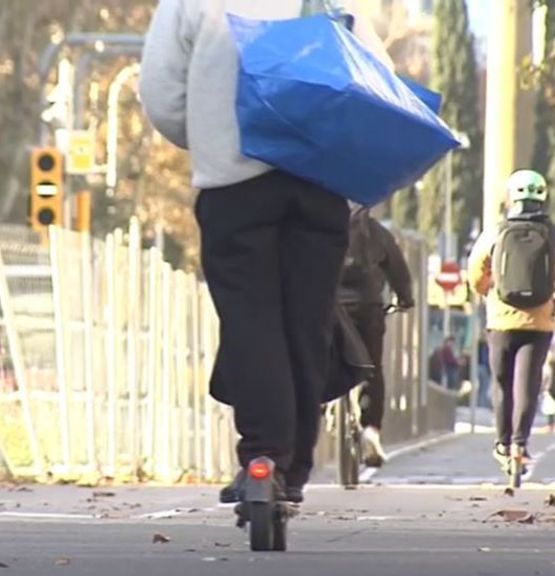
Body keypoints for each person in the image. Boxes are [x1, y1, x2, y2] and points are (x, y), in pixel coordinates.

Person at [139, 0, 391, 504]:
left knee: (250, 319)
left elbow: (162, 95)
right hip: (318, 186)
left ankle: (263, 456)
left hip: (234, 187)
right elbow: (378, 80)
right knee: (308, 319)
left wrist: (214, 135)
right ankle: (294, 467)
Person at [468, 170, 555, 473]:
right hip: (539, 321)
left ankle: (502, 444)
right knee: (527, 384)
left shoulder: (496, 231)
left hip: (501, 318)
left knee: (502, 383)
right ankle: (520, 444)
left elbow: (476, 270)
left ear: (511, 197)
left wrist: (484, 290)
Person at [337, 207, 414, 467]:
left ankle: (322, 405)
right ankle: (370, 430)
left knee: (317, 358)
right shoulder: (375, 232)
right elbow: (398, 271)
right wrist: (405, 299)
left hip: (329, 307)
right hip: (367, 308)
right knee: (371, 367)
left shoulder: (322, 225)